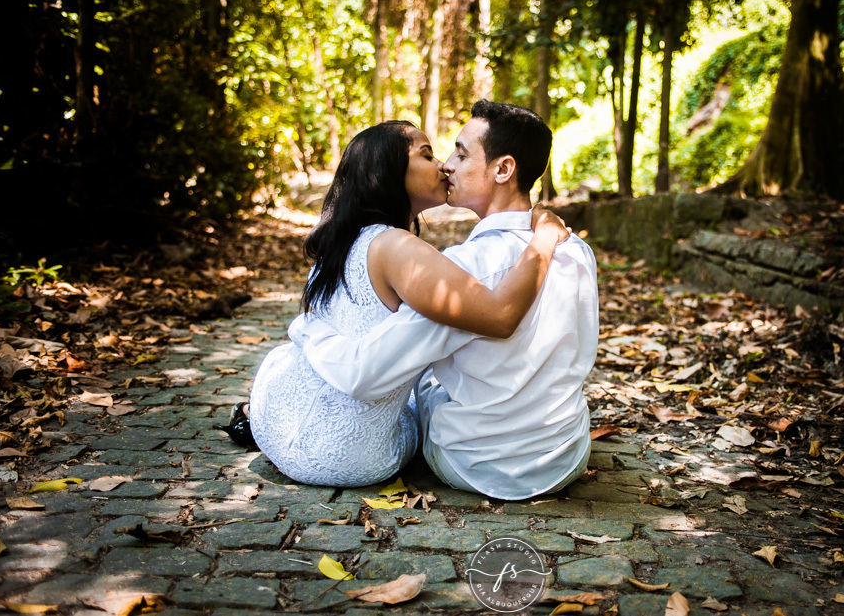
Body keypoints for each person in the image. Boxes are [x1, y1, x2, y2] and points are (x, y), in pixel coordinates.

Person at [218, 120, 570, 487]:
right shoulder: (398, 248)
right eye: (427, 155)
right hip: (350, 456)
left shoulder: (341, 239)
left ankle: (249, 413)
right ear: (385, 172)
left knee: (289, 358)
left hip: (275, 421)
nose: (444, 166)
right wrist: (544, 238)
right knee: (428, 398)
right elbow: (499, 316)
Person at [288, 100, 599, 500]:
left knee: (424, 382)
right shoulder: (574, 248)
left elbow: (364, 374)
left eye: (461, 153)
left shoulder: (463, 269)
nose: (447, 165)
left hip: (479, 465)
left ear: (503, 169)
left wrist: (307, 328)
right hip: (565, 455)